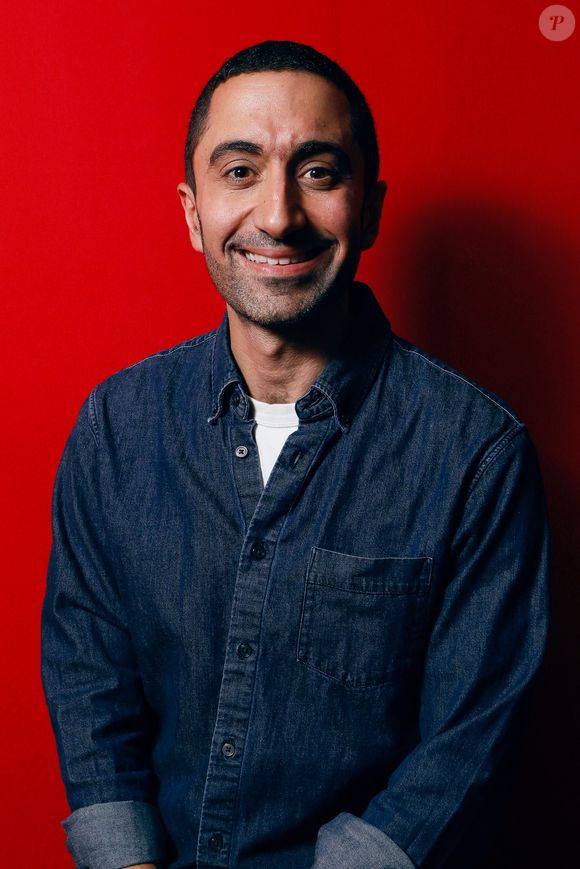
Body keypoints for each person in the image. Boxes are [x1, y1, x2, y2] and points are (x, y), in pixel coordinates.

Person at [41, 41, 549, 869]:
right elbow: (87, 674)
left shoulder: (477, 453)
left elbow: (468, 745)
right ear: (192, 211)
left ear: (370, 209)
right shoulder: (116, 425)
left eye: (318, 171)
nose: (278, 215)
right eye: (239, 171)